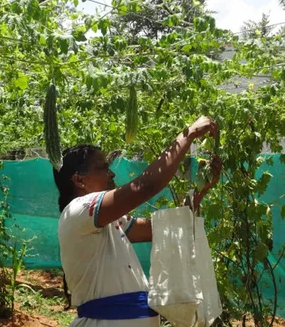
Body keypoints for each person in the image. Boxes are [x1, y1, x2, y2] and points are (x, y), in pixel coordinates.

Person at [53, 116, 221, 327]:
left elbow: (167, 229)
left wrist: (199, 191)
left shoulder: (111, 223)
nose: (111, 173)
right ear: (79, 180)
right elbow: (146, 186)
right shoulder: (78, 210)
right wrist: (189, 134)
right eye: (103, 167)